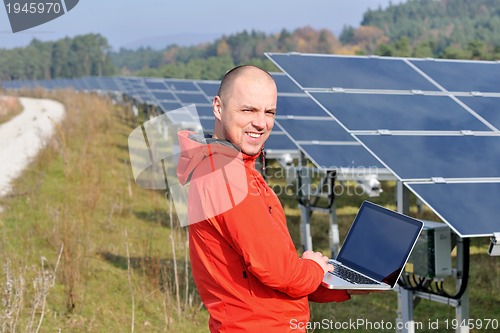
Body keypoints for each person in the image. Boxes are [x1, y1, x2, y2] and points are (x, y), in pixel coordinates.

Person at [177, 65, 367, 332]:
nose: (261, 123)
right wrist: (312, 268)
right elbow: (280, 272)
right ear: (218, 108)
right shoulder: (227, 177)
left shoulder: (228, 167)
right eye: (248, 110)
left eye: (269, 112)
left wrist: (339, 285)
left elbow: (264, 269)